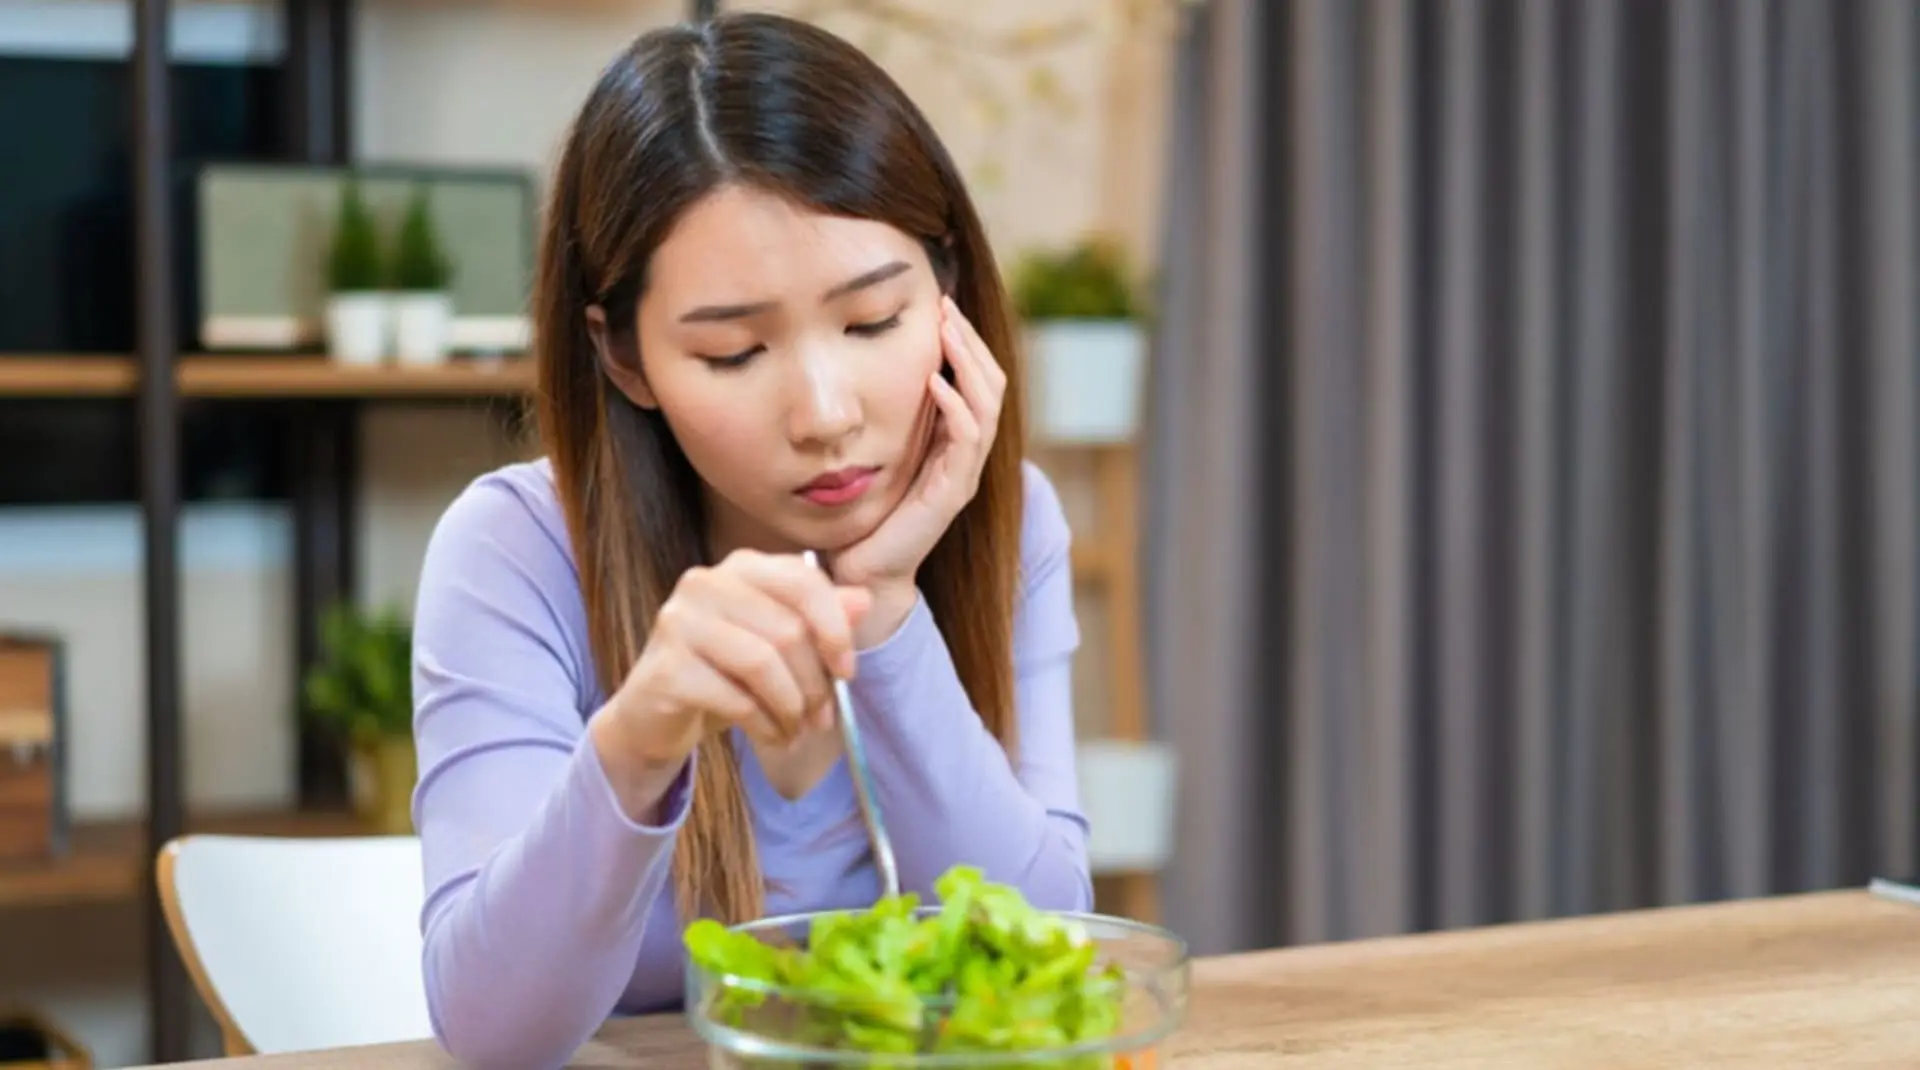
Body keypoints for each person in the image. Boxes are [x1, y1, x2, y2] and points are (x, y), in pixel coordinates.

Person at [406, 10, 1092, 1069]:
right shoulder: (516, 550)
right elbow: (496, 1035)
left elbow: (1044, 954)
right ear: (624, 358)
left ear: (947, 294)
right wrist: (639, 735)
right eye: (733, 351)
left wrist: (887, 606)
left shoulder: (1007, 520)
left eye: (872, 324)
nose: (825, 411)